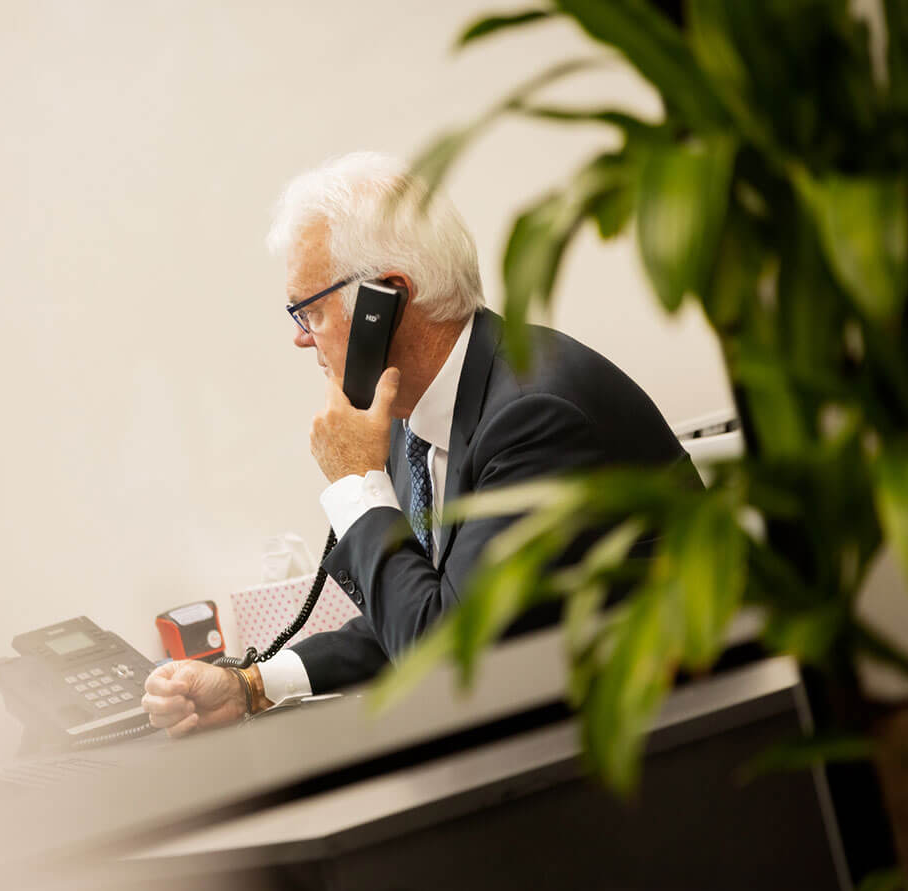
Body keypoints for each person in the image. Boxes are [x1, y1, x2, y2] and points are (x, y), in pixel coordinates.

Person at [142, 152, 695, 737]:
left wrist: (357, 486)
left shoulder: (533, 416)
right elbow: (422, 606)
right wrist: (253, 685)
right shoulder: (418, 416)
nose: (301, 341)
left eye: (310, 312)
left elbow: (444, 658)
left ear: (388, 301)